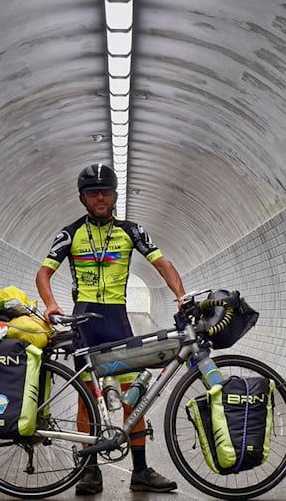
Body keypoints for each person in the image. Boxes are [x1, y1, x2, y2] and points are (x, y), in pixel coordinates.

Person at [35, 163, 186, 494]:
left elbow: (163, 264)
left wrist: (180, 296)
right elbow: (43, 273)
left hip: (118, 322)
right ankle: (90, 471)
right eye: (93, 193)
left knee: (134, 396)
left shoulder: (131, 231)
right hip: (85, 321)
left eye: (105, 191)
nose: (100, 197)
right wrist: (50, 304)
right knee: (86, 399)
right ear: (82, 199)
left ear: (115, 195)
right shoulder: (70, 233)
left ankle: (141, 471)